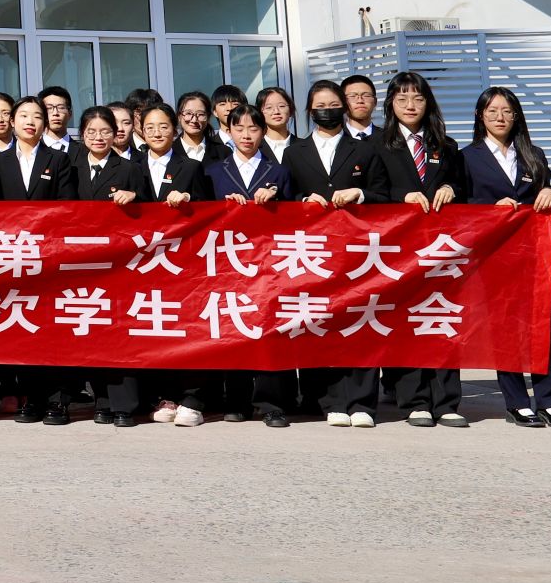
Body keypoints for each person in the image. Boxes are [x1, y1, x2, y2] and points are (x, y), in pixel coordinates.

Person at [283, 78, 385, 427]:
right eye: (320, 106)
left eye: (333, 105)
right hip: (313, 251)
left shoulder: (366, 149)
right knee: (319, 321)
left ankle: (362, 403)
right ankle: (328, 401)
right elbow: (285, 197)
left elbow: (384, 195)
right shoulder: (295, 151)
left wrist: (360, 194)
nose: (327, 111)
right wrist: (302, 200)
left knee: (360, 321)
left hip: (358, 249)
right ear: (309, 111)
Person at [469, 86, 551, 429]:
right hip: (494, 257)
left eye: (507, 111)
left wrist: (550, 192)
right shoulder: (467, 157)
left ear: (516, 116)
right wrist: (490, 209)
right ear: (481, 115)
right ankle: (517, 402)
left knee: (542, 328)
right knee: (505, 330)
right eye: (493, 111)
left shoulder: (533, 154)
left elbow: (548, 193)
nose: (500, 117)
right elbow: (461, 207)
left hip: (532, 254)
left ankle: (550, 402)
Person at [372, 70, 469, 428]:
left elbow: (464, 187)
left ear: (428, 103)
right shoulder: (377, 144)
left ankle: (446, 401)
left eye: (418, 98)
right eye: (402, 98)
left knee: (441, 319)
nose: (410, 105)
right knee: (406, 322)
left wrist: (452, 189)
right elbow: (374, 192)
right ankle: (414, 401)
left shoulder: (447, 145)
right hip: (398, 249)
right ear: (391, 104)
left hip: (441, 250)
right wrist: (402, 196)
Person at [0, 97, 73, 425]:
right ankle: (31, 398)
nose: (30, 122)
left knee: (52, 329)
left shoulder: (59, 159)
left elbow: (67, 206)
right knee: (24, 327)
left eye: (37, 116)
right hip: (12, 258)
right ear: (13, 122)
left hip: (49, 257)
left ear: (45, 123)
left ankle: (58, 400)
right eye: (23, 116)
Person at [208, 104, 293, 428]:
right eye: (239, 128)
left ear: (263, 131)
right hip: (228, 263)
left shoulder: (278, 172)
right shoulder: (214, 171)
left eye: (253, 128)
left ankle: (272, 403)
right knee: (235, 327)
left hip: (269, 266)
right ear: (228, 131)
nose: (246, 135)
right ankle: (237, 400)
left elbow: (297, 219)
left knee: (270, 332)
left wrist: (275, 200)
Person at [132, 103, 209, 427]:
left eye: (163, 126)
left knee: (187, 327)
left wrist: (189, 202)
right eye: (150, 127)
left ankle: (193, 398)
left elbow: (209, 212)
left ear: (174, 129)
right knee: (154, 328)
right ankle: (163, 396)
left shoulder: (190, 166)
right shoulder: (132, 166)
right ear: (141, 131)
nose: (157, 133)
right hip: (144, 263)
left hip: (182, 263)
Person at [68, 107, 143, 428]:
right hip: (81, 263)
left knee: (120, 332)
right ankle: (101, 400)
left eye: (105, 132)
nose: (98, 138)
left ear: (115, 134)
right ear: (82, 135)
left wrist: (134, 196)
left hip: (120, 265)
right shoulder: (70, 167)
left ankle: (125, 405)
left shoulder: (130, 168)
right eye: (91, 132)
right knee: (93, 330)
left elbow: (151, 210)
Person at [257, 86, 296, 160]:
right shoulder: (254, 149)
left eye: (281, 106)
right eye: (269, 107)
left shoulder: (306, 146)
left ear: (290, 110)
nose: (276, 111)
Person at [341, 75, 379, 140]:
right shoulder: (335, 139)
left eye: (366, 95)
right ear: (342, 102)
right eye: (352, 96)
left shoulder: (390, 139)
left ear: (375, 102)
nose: (360, 101)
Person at [39, 86, 73, 153]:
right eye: (49, 108)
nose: (55, 113)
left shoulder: (84, 151)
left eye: (61, 108)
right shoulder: (33, 150)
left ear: (70, 114)